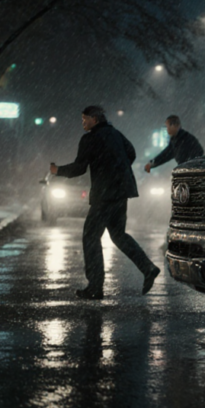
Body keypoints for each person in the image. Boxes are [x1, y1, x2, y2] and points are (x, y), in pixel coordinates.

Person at [51, 106, 161, 299]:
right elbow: (131, 153)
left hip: (104, 194)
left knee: (90, 237)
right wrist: (116, 166)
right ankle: (148, 268)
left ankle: (95, 287)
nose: (83, 123)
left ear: (94, 119)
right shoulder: (116, 134)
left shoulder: (90, 139)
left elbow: (79, 168)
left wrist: (57, 171)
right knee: (118, 234)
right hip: (121, 191)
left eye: (84, 119)